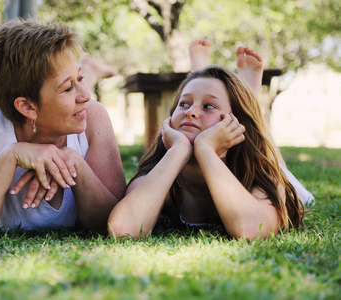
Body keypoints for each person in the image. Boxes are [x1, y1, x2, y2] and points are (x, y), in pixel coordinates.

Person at [108, 40, 313, 240]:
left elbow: (252, 230)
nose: (191, 112)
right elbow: (123, 229)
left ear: (234, 124)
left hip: (258, 165)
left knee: (271, 155)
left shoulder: (263, 177)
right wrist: (179, 149)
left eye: (208, 106)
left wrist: (205, 148)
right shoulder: (161, 175)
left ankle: (251, 99)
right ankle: (210, 81)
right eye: (184, 103)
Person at [0, 19, 126, 238]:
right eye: (68, 88)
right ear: (27, 106)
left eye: (81, 77)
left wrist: (75, 163)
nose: (86, 95)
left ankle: (89, 69)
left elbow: (119, 221)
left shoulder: (93, 116)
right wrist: (10, 156)